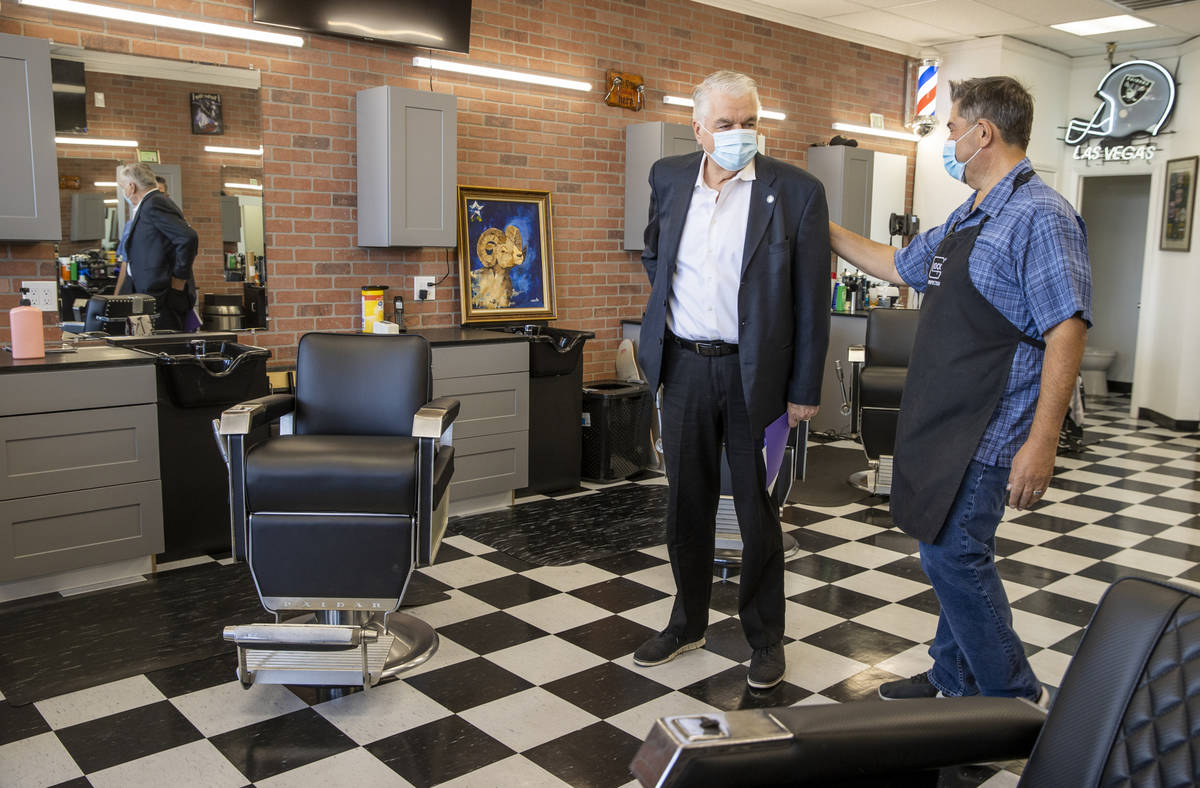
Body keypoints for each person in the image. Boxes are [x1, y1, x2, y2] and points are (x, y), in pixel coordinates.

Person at [829, 76, 1091, 704]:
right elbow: (898, 265)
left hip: (991, 424)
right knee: (948, 551)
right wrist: (821, 225)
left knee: (953, 557)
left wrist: (1043, 442)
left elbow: (1067, 331)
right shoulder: (969, 213)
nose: (946, 140)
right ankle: (953, 676)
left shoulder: (1042, 217)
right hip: (945, 417)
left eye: (950, 129)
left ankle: (1014, 702)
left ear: (983, 133)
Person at [633, 70, 831, 689]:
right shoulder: (667, 178)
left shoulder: (795, 191)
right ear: (697, 129)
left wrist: (803, 390)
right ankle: (687, 622)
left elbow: (810, 301)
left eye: (749, 122)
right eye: (726, 124)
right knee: (684, 507)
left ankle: (766, 640)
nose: (740, 134)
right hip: (685, 368)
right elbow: (654, 254)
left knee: (757, 513)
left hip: (759, 378)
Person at [114, 162, 198, 331]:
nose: (124, 191)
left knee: (163, 348)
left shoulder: (155, 203)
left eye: (123, 187)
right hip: (146, 294)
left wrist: (179, 279)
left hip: (162, 296)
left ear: (131, 187)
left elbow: (188, 238)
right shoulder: (146, 205)